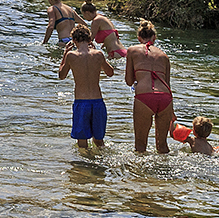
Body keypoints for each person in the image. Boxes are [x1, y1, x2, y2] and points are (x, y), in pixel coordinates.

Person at [57, 25, 115, 149]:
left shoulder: (71, 56)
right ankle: (100, 165)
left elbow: (61, 75)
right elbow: (110, 73)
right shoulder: (98, 54)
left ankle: (84, 167)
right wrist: (100, 57)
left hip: (81, 102)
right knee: (99, 140)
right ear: (90, 40)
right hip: (98, 102)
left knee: (82, 142)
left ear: (74, 41)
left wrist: (65, 54)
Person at [126, 19, 175, 154]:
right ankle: (164, 173)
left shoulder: (132, 50)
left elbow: (129, 81)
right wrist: (172, 111)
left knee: (140, 147)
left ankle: (140, 175)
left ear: (138, 38)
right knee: (163, 147)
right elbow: (168, 85)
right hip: (165, 98)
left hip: (145, 97)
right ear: (154, 37)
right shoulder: (164, 56)